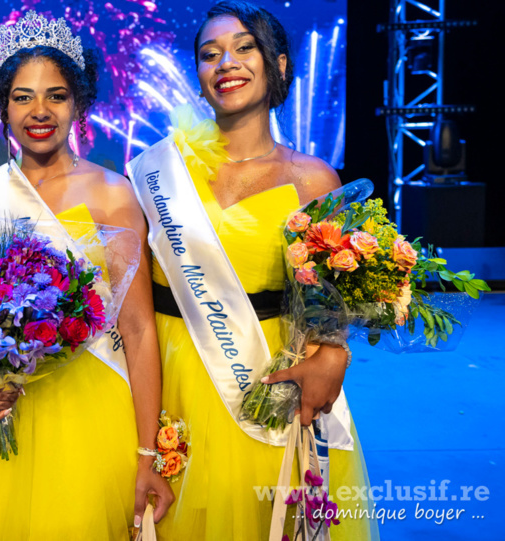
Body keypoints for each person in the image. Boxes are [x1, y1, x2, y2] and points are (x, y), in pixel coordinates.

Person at [125, 2, 377, 539]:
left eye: (244, 48)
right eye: (209, 54)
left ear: (279, 66)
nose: (226, 63)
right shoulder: (154, 172)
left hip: (270, 378)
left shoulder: (312, 179)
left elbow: (338, 295)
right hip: (175, 375)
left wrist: (334, 352)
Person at [0, 11, 173, 539]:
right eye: (22, 97)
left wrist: (147, 453)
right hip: (8, 413)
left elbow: (137, 330)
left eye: (57, 95)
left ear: (80, 103)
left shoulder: (111, 195)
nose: (39, 111)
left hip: (90, 407)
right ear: (4, 105)